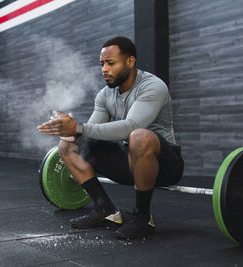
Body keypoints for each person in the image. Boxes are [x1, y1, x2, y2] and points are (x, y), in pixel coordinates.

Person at [37, 36, 184, 239]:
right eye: (102, 64)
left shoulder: (153, 86)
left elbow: (131, 127)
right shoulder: (104, 95)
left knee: (139, 136)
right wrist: (70, 133)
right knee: (67, 146)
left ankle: (143, 218)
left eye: (110, 63)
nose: (104, 69)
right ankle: (106, 211)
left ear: (130, 62)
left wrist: (78, 128)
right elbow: (93, 132)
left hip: (166, 164)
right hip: (129, 161)